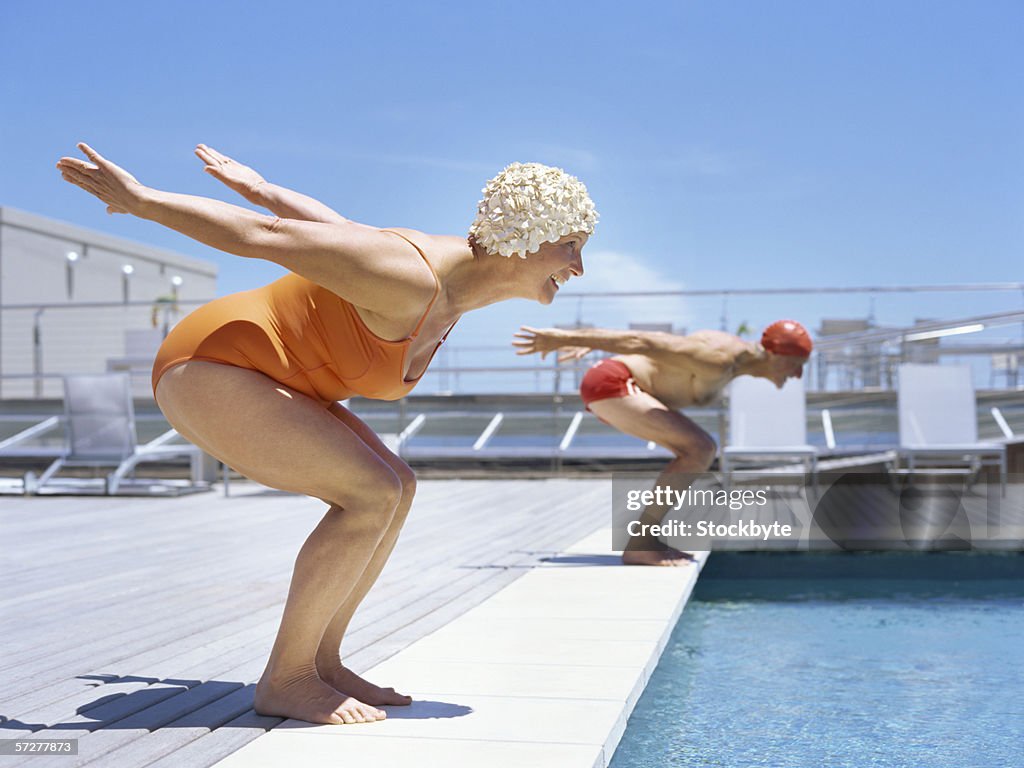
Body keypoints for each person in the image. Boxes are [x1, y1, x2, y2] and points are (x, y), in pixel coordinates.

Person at [57, 144, 597, 724]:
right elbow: (263, 235)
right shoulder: (408, 276)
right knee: (370, 492)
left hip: (270, 376)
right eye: (570, 246)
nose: (578, 267)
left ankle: (322, 663)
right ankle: (286, 679)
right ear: (523, 232)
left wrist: (260, 184)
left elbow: (327, 225)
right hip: (211, 365)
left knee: (397, 485)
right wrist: (142, 202)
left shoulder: (444, 289)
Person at [513, 320, 812, 565]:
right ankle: (641, 543)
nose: (798, 374)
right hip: (613, 382)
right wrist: (569, 338)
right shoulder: (720, 357)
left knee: (696, 450)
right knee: (700, 448)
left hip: (620, 385)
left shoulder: (736, 362)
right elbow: (646, 341)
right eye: (797, 364)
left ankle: (646, 539)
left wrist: (592, 341)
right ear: (777, 355)